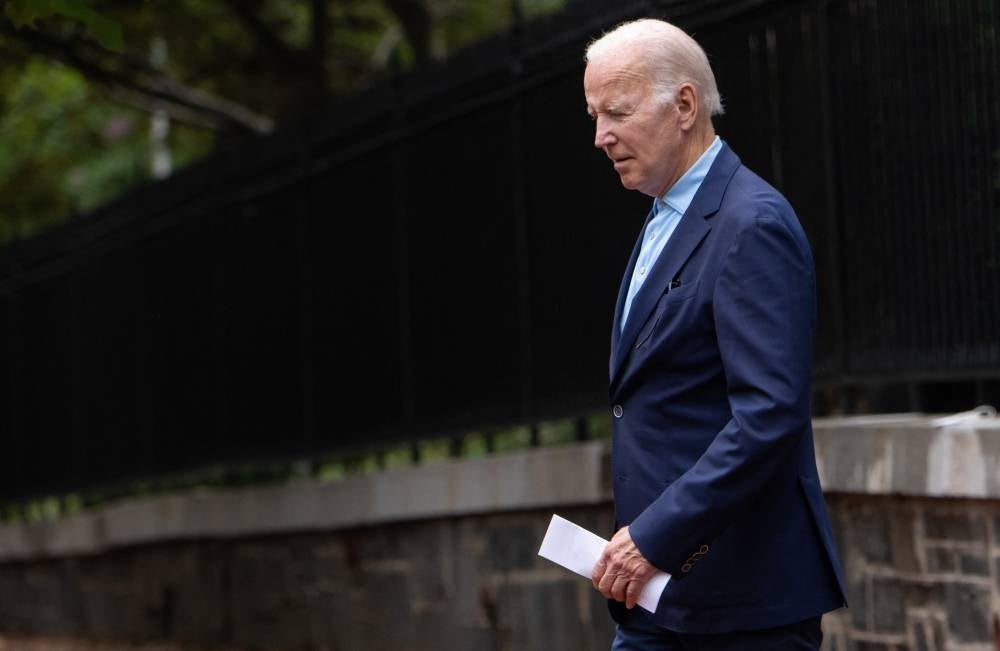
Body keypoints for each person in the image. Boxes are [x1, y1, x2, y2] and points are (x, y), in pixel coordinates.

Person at [583, 19, 847, 650]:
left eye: (615, 112)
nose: (601, 136)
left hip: (742, 609)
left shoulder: (751, 224)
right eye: (593, 115)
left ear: (684, 105)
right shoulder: (661, 215)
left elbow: (768, 417)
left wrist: (657, 536)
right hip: (661, 604)